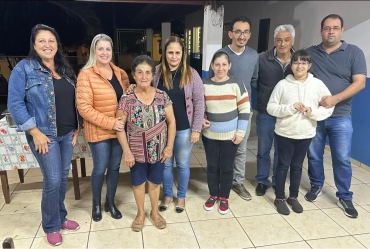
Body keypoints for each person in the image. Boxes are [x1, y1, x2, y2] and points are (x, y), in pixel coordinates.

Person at [7, 24, 81, 246]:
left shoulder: (64, 68)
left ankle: (61, 217)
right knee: (52, 180)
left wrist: (77, 126)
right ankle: (50, 225)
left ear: (57, 44)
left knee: (62, 177)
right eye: (42, 41)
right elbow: (15, 103)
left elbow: (73, 99)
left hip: (67, 134)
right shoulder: (24, 69)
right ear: (34, 44)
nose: (47, 45)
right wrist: (34, 132)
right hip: (44, 135)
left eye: (51, 40)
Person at [305, 14, 367, 218]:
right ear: (321, 30)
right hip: (315, 116)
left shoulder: (354, 53)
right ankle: (316, 186)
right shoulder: (311, 53)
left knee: (341, 157)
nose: (331, 31)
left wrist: (334, 99)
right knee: (314, 155)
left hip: (340, 116)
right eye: (327, 28)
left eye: (335, 28)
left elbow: (360, 82)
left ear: (342, 30)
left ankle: (344, 195)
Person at [267, 49, 334, 215]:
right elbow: (271, 107)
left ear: (309, 65)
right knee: (282, 165)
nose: (299, 66)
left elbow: (329, 105)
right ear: (291, 65)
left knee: (297, 166)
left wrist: (313, 113)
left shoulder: (317, 84)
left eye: (303, 62)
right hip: (284, 133)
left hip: (305, 133)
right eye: (296, 62)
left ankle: (293, 197)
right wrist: (290, 107)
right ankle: (280, 198)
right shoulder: (282, 84)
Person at [116, 55, 176, 232]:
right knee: (138, 183)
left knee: (155, 182)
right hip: (136, 152)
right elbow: (119, 127)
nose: (144, 76)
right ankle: (140, 214)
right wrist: (126, 151)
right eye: (140, 72)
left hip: (158, 150)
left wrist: (169, 146)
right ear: (134, 74)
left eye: (148, 72)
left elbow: (171, 122)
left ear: (153, 75)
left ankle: (154, 212)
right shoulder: (126, 99)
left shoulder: (162, 96)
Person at [76, 34, 130, 222]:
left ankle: (110, 202)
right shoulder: (86, 75)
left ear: (111, 51)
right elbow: (84, 108)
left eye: (108, 49)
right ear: (94, 51)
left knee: (114, 167)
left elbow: (127, 99)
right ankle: (96, 204)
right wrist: (110, 123)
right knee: (100, 168)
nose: (104, 52)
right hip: (99, 131)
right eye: (100, 49)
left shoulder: (120, 73)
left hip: (118, 130)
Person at [154, 36, 204, 213]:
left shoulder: (191, 74)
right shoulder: (157, 72)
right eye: (170, 52)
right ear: (164, 53)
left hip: (184, 128)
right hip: (162, 129)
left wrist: (196, 129)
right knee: (166, 164)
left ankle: (181, 197)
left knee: (182, 164)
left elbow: (199, 102)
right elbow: (145, 91)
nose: (174, 56)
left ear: (183, 54)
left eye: (177, 52)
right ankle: (167, 195)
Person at [210, 15, 258, 201]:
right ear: (230, 33)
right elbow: (214, 79)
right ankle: (221, 181)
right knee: (221, 149)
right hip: (221, 112)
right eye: (238, 31)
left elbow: (254, 80)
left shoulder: (254, 55)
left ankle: (238, 182)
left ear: (249, 34)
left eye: (245, 32)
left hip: (243, 112)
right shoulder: (221, 54)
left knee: (241, 148)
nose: (241, 35)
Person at [202, 51, 250, 214]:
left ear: (229, 65)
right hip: (210, 136)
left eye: (224, 64)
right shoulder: (204, 84)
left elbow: (244, 109)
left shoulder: (237, 84)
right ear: (212, 66)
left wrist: (240, 132)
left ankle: (224, 197)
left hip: (231, 136)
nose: (220, 68)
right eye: (217, 64)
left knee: (227, 167)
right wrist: (201, 118)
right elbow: (198, 107)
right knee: (213, 167)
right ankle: (213, 194)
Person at [254, 24, 295, 196]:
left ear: (293, 40)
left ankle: (278, 181)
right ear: (274, 41)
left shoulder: (298, 60)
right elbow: (255, 81)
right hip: (266, 113)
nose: (282, 43)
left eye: (286, 40)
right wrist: (264, 96)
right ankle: (262, 180)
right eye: (279, 40)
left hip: (288, 115)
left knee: (281, 151)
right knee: (263, 149)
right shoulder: (262, 58)